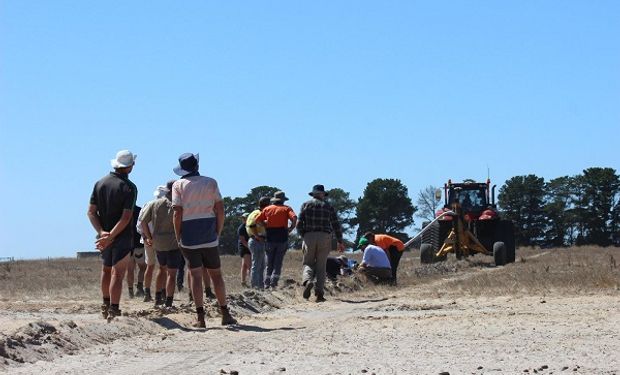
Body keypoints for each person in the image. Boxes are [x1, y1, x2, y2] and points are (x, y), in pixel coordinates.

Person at [171, 153, 236, 327]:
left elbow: (177, 213)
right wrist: (218, 231)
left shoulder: (178, 185)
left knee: (196, 276)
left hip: (189, 235)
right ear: (197, 166)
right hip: (209, 233)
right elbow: (220, 209)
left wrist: (178, 235)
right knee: (216, 275)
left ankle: (200, 318)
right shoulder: (211, 182)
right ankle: (225, 313)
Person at [87, 150, 138, 320]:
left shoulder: (99, 183)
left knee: (106, 269)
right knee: (118, 273)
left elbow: (91, 212)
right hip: (121, 236)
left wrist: (102, 232)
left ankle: (105, 304)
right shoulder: (129, 187)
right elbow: (126, 217)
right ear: (130, 166)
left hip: (104, 234)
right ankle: (114, 309)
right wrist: (111, 236)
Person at [297, 184, 345, 302]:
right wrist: (340, 241)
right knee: (321, 266)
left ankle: (308, 281)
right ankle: (319, 293)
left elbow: (298, 223)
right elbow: (335, 225)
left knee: (308, 263)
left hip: (309, 236)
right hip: (325, 237)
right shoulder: (328, 206)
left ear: (313, 194)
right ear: (323, 194)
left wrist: (303, 234)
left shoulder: (305, 205)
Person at [140, 180, 183, 308]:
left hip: (158, 242)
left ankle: (158, 298)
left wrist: (149, 237)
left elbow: (143, 221)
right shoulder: (177, 204)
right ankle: (169, 301)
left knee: (161, 269)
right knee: (172, 272)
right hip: (174, 242)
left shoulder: (154, 203)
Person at [255, 191, 297, 289]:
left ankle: (267, 283)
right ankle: (274, 283)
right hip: (282, 238)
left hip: (270, 238)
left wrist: (265, 225)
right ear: (283, 200)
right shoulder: (286, 209)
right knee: (278, 262)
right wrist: (291, 228)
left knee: (269, 262)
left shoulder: (267, 209)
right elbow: (294, 218)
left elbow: (257, 220)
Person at [137, 185, 168, 302]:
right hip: (161, 241)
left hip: (147, 240)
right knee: (163, 267)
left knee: (150, 266)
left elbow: (139, 225)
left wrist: (146, 237)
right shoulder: (166, 207)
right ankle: (162, 292)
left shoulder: (146, 205)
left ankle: (147, 292)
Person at [246, 197, 270, 289]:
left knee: (261, 265)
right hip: (257, 241)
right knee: (257, 265)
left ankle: (260, 287)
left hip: (255, 240)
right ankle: (255, 287)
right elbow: (252, 225)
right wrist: (257, 236)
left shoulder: (254, 213)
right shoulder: (259, 214)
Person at [127, 206, 147, 298]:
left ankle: (130, 291)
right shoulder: (140, 210)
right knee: (143, 268)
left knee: (130, 270)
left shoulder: (122, 211)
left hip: (127, 246)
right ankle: (139, 287)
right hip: (139, 245)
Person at [237, 213, 251, 287]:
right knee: (250, 265)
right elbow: (243, 241)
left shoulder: (251, 226)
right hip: (244, 248)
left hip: (249, 247)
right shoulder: (241, 228)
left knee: (244, 265)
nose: (244, 219)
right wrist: (251, 248)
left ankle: (243, 282)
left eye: (245, 218)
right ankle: (254, 282)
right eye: (243, 218)